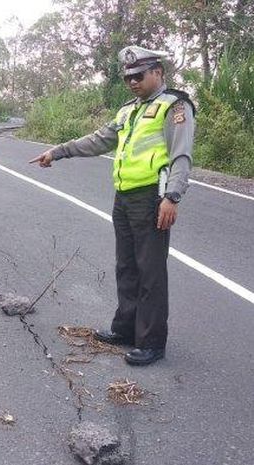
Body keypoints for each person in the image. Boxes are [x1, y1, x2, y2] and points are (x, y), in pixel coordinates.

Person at [29, 45, 196, 366]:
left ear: (157, 73)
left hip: (153, 199)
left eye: (139, 75)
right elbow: (98, 140)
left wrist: (172, 197)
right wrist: (57, 151)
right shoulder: (128, 110)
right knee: (126, 266)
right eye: (128, 76)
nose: (132, 81)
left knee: (150, 272)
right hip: (124, 198)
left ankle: (151, 342)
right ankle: (126, 328)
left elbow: (181, 156)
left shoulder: (174, 107)